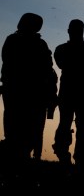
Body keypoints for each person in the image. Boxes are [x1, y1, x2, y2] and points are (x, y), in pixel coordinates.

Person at [0, 12, 57, 162]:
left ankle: (21, 156)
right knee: (16, 128)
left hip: (32, 93)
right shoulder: (15, 40)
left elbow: (48, 68)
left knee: (31, 129)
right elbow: (8, 65)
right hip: (19, 91)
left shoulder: (38, 44)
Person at [52, 19, 84, 171]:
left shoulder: (65, 49)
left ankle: (75, 158)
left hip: (75, 93)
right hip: (76, 93)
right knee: (74, 126)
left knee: (78, 127)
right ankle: (72, 157)